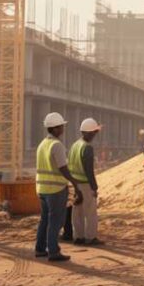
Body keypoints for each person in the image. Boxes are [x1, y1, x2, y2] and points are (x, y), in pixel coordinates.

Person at [35, 112, 85, 262]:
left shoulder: (43, 144)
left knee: (44, 220)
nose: (63, 128)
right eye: (61, 126)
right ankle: (54, 251)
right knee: (56, 221)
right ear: (55, 128)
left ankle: (40, 249)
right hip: (55, 190)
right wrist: (75, 184)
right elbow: (63, 168)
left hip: (42, 189)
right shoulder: (57, 145)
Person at [68, 118, 102, 245]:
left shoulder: (75, 145)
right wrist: (94, 187)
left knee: (77, 211)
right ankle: (91, 237)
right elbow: (89, 170)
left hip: (75, 184)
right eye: (94, 132)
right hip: (85, 184)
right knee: (91, 211)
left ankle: (78, 237)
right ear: (89, 132)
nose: (94, 135)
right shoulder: (87, 148)